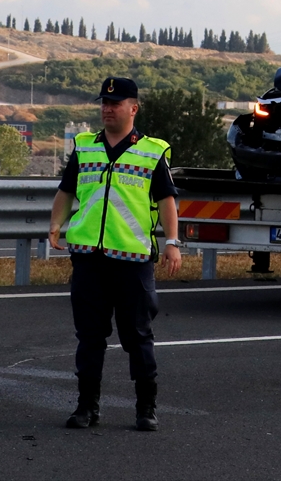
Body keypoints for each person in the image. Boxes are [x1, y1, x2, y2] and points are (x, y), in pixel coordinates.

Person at [48, 77, 182, 432]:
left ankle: (146, 407)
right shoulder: (85, 147)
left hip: (132, 260)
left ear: (133, 108)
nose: (107, 109)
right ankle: (86, 407)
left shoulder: (152, 151)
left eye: (115, 103)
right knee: (89, 337)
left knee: (137, 337)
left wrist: (172, 242)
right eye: (104, 103)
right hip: (89, 257)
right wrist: (55, 225)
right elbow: (66, 190)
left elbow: (167, 200)